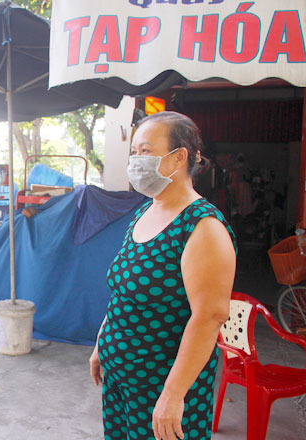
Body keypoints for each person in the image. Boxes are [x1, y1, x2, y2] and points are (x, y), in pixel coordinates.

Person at [89, 111, 237, 440]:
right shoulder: (146, 210)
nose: (136, 161)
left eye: (145, 151)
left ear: (178, 157)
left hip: (161, 389)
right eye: (134, 153)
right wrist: (103, 344)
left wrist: (172, 395)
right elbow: (124, 292)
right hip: (121, 382)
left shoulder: (202, 227)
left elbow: (210, 316)